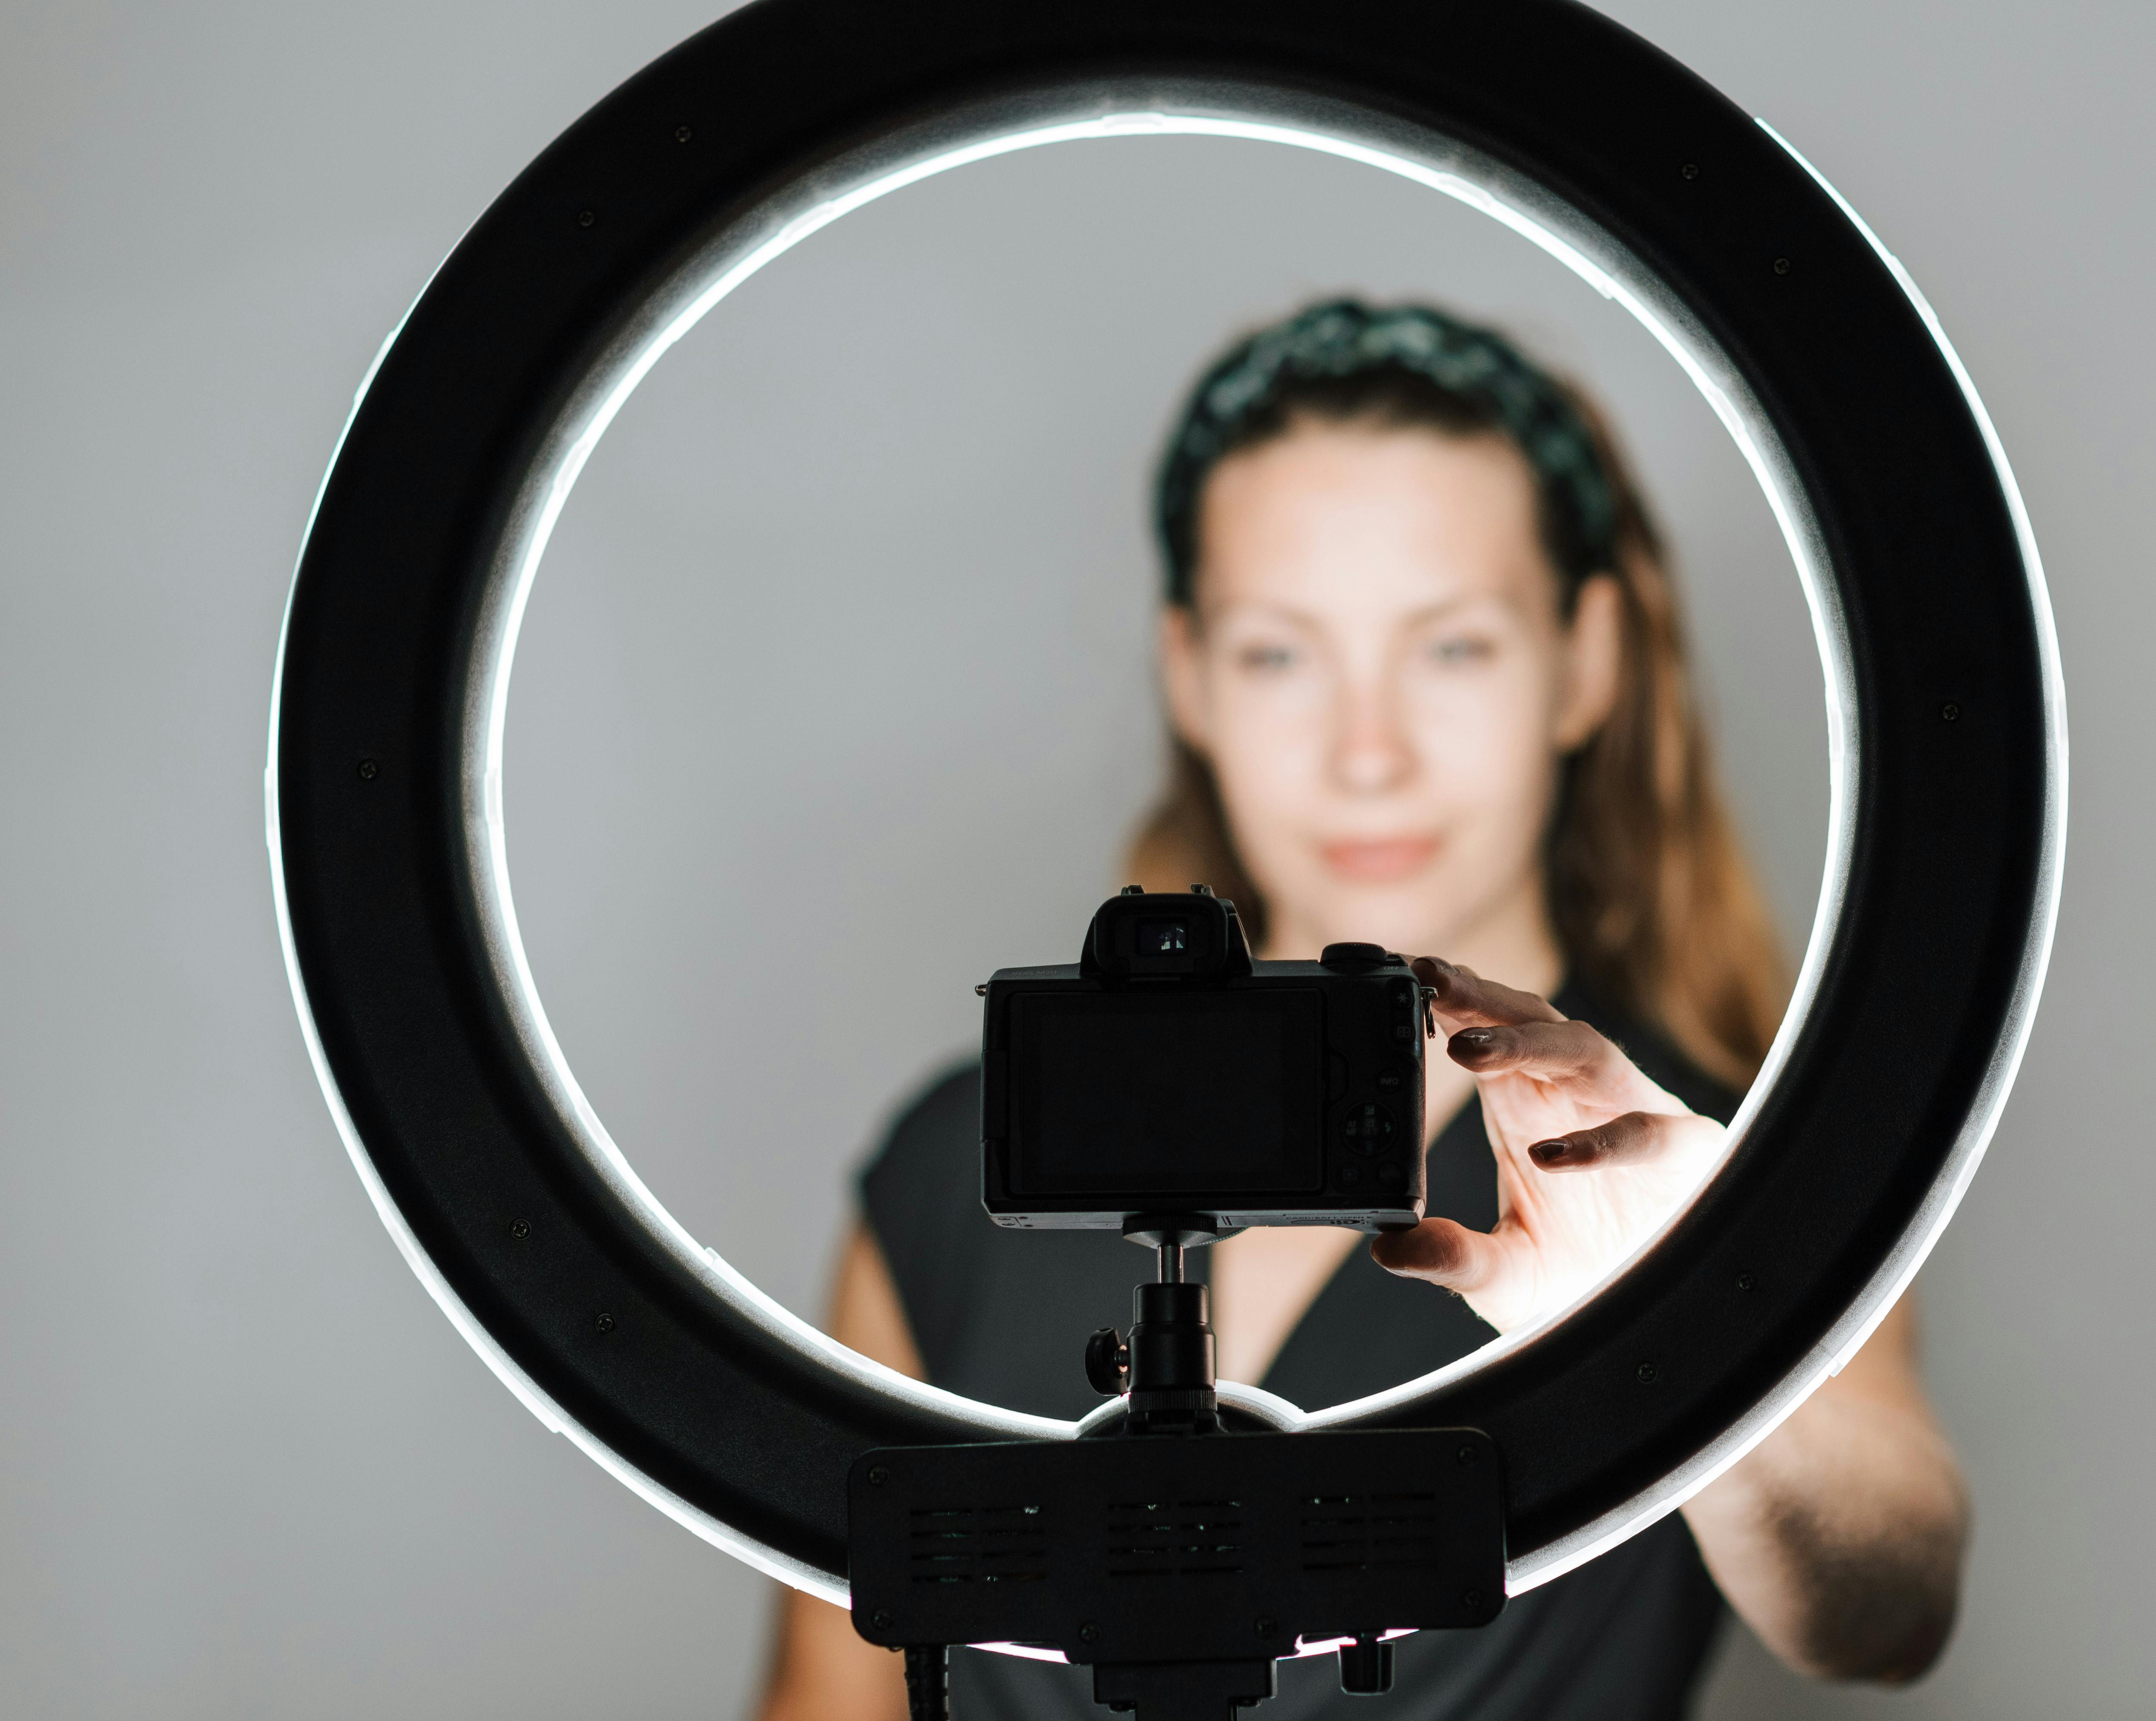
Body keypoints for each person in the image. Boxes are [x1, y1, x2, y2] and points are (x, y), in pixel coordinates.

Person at [756, 301, 1969, 1720]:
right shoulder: (955, 1170)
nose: (1368, 753)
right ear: (1189, 673)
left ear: (1586, 660)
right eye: (1281, 654)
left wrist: (1688, 1338)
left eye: (1452, 648)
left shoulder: (1698, 1169)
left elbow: (1891, 1602)